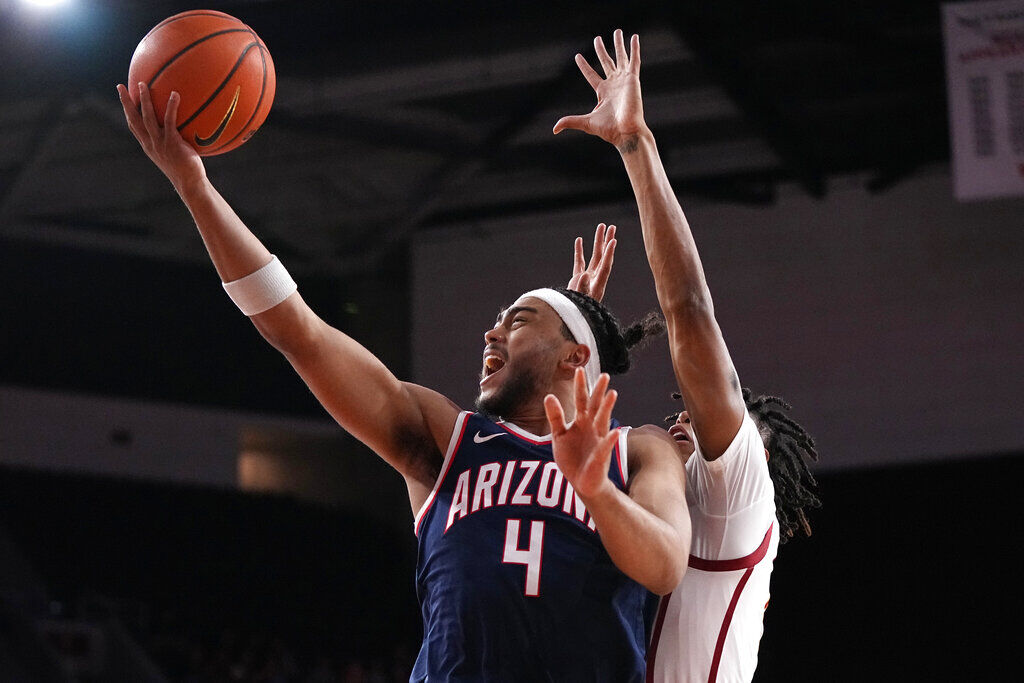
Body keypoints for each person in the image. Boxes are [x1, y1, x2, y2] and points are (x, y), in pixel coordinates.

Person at [116, 54, 690, 680]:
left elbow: (664, 563)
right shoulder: (447, 438)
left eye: (517, 322)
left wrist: (595, 489)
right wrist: (195, 189)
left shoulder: (637, 453)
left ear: (576, 357)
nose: (490, 333)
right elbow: (298, 331)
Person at [557, 30, 821, 682]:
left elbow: (690, 316)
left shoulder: (736, 496)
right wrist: (573, 342)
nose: (684, 422)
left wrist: (635, 145)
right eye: (681, 417)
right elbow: (561, 447)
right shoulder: (650, 511)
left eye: (704, 426)